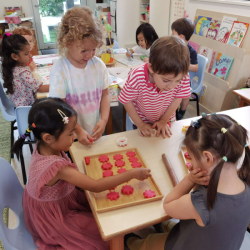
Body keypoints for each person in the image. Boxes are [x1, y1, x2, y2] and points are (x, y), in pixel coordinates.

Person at [11, 98, 151, 250]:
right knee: (104, 232)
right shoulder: (58, 168)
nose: (74, 137)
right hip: (53, 217)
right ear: (48, 137)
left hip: (50, 204)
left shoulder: (43, 145)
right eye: (71, 133)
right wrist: (131, 174)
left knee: (99, 212)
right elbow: (96, 186)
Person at [125, 114, 250, 250]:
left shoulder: (201, 202)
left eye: (190, 157)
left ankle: (130, 243)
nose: (190, 162)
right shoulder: (246, 188)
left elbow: (168, 206)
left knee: (150, 241)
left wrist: (190, 179)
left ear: (207, 158)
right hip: (218, 243)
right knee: (181, 228)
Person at [49, 6, 110, 146]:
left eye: (93, 49)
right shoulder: (60, 69)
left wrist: (104, 120)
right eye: (84, 50)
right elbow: (59, 109)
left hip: (94, 132)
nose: (90, 55)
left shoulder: (99, 65)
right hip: (69, 136)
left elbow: (105, 95)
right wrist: (78, 130)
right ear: (67, 42)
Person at [119, 36, 190, 138]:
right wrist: (140, 124)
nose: (171, 86)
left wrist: (164, 120)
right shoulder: (137, 75)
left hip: (166, 120)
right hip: (141, 121)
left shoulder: (182, 74)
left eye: (177, 81)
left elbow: (177, 98)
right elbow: (126, 100)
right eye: (166, 80)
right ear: (151, 68)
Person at [0, 33, 49, 107]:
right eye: (26, 54)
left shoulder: (10, 68)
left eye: (29, 52)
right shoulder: (23, 72)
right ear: (14, 56)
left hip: (17, 105)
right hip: (27, 108)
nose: (30, 55)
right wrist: (57, 85)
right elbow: (40, 88)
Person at [171, 18, 198, 119]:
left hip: (184, 79)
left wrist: (185, 64)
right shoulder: (173, 47)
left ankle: (181, 112)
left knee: (185, 96)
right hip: (174, 77)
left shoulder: (191, 51)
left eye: (173, 33)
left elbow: (195, 68)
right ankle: (172, 110)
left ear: (181, 37)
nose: (171, 35)